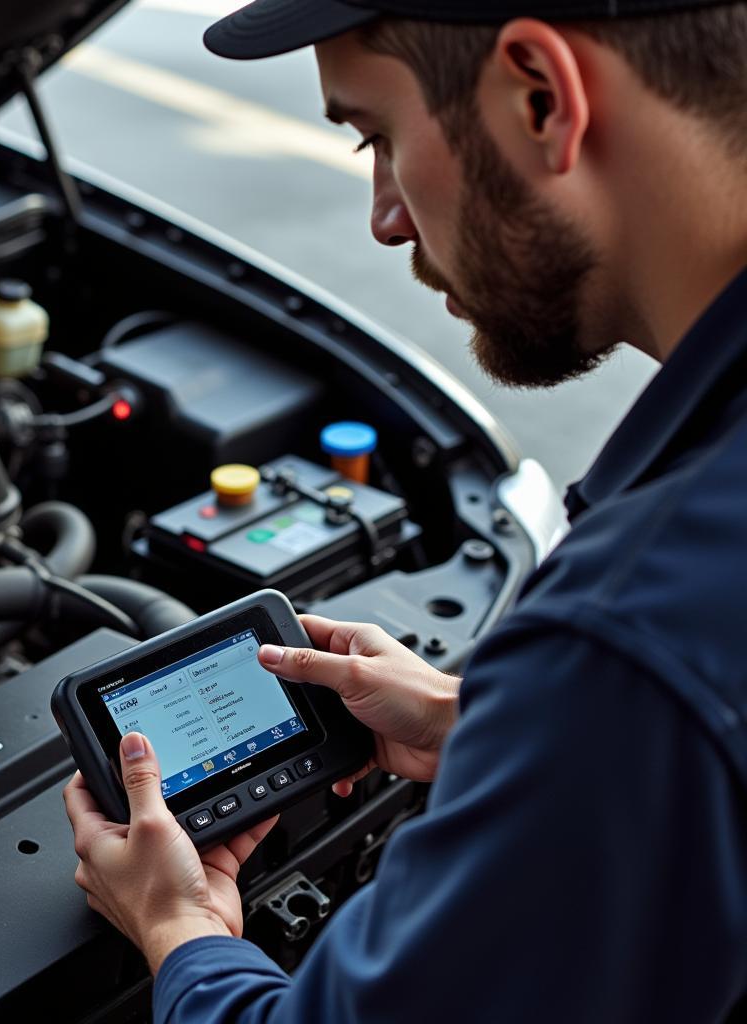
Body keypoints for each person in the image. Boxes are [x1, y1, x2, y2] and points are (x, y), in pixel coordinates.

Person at [64, 1, 747, 1019]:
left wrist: (180, 929)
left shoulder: (630, 633)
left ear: (541, 97)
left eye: (378, 137)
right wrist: (494, 732)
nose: (384, 216)